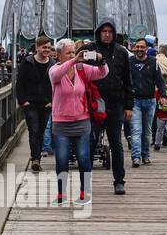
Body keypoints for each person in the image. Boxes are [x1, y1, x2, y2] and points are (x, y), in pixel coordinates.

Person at [47, 38, 103, 206]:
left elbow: (102, 73)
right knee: (62, 159)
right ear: (58, 55)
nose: (73, 55)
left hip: (82, 120)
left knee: (84, 158)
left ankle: (85, 192)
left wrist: (102, 61)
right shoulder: (54, 70)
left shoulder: (81, 68)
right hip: (61, 122)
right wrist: (74, 60)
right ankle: (61, 193)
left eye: (74, 52)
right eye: (69, 53)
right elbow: (56, 75)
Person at [86, 20, 133, 195]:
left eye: (110, 31)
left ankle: (119, 181)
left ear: (114, 34)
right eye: (103, 31)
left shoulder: (121, 52)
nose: (107, 34)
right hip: (94, 103)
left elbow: (128, 81)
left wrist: (129, 106)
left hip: (115, 104)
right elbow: (79, 67)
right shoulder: (90, 49)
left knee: (116, 144)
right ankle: (86, 182)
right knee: (90, 142)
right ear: (99, 32)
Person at [15, 36, 54, 172]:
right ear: (37, 48)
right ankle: (35, 159)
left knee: (42, 132)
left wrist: (52, 101)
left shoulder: (53, 64)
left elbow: (57, 85)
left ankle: (37, 158)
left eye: (48, 47)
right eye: (44, 47)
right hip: (30, 103)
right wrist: (22, 101)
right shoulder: (27, 62)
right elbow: (20, 83)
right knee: (34, 130)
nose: (46, 50)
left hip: (46, 104)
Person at [128, 37, 164, 166]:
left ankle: (146, 155)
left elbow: (159, 80)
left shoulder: (153, 62)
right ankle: (136, 157)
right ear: (133, 48)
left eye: (142, 47)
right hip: (135, 101)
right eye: (137, 47)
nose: (139, 49)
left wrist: (163, 95)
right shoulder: (129, 62)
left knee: (147, 131)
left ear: (147, 48)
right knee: (136, 130)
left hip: (150, 100)